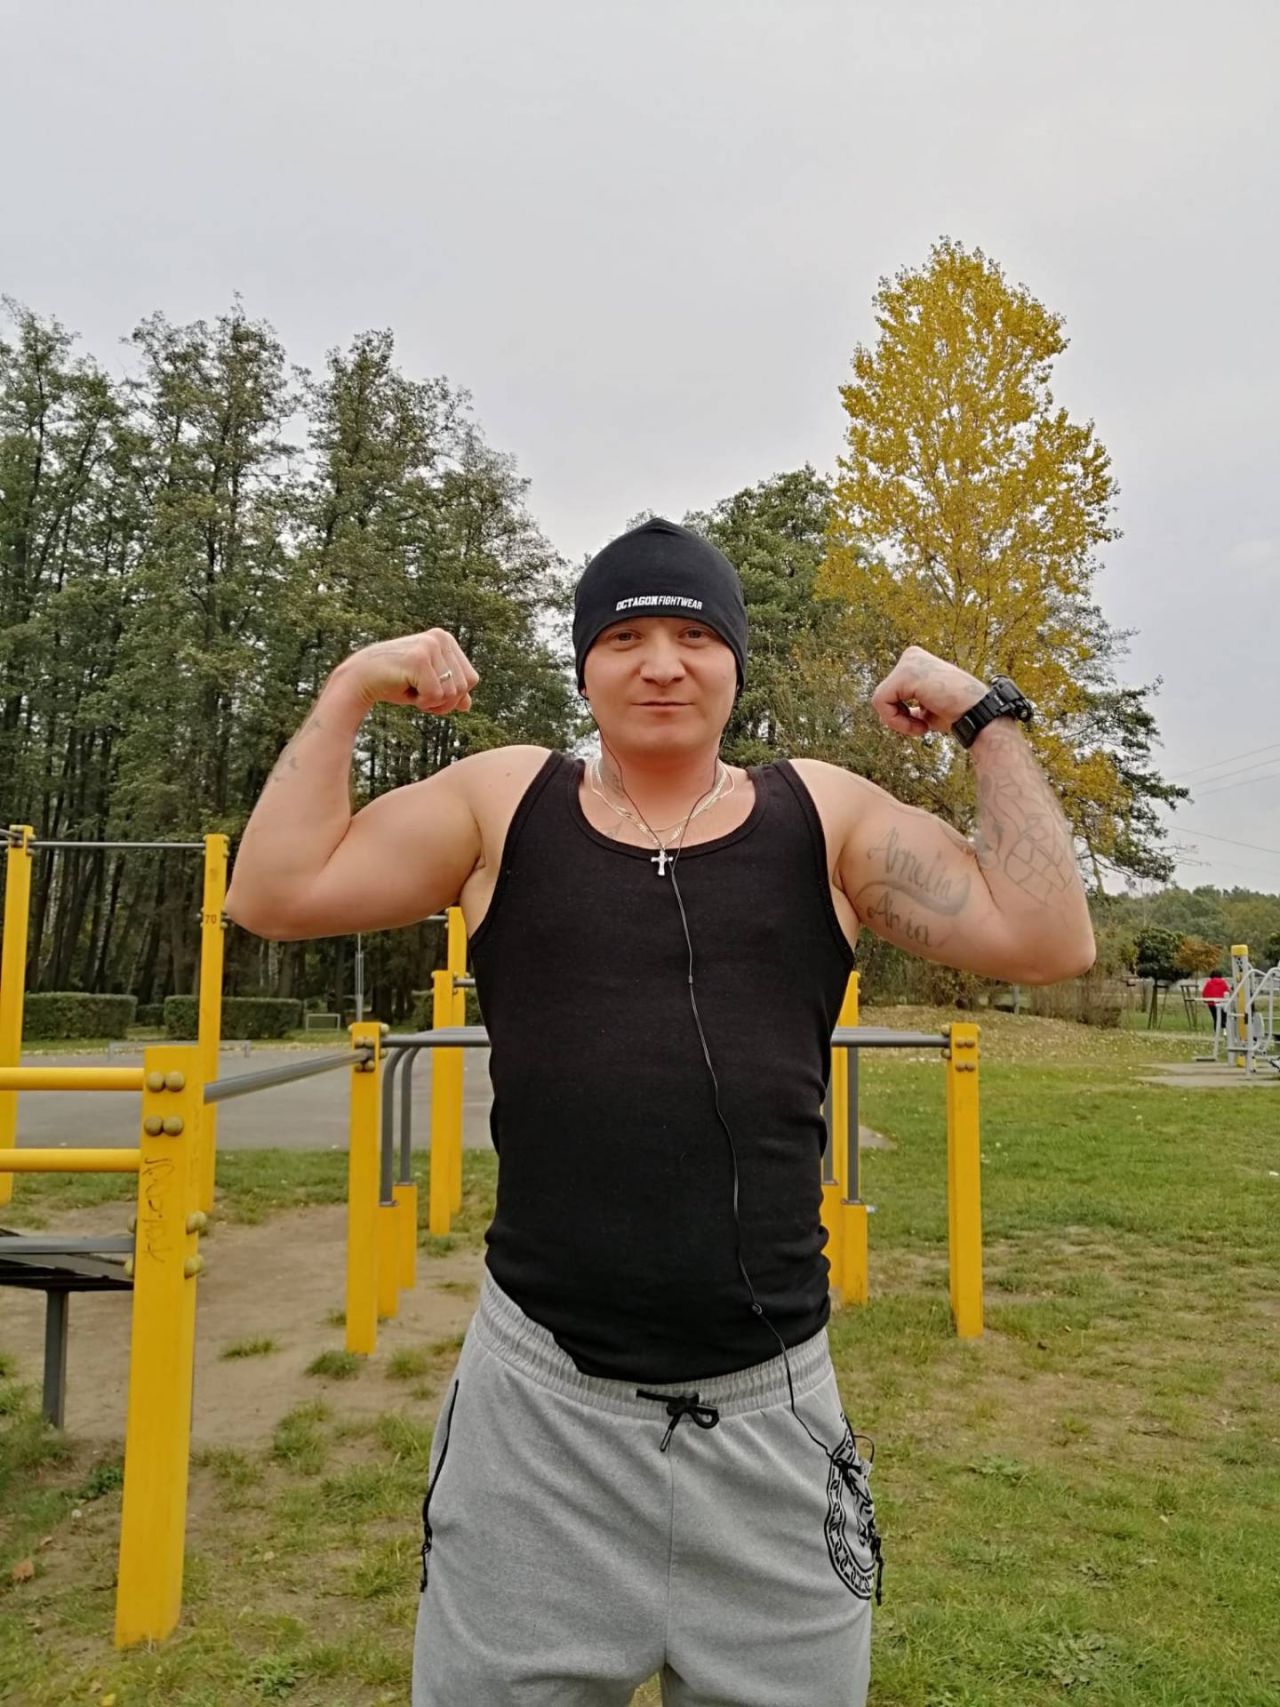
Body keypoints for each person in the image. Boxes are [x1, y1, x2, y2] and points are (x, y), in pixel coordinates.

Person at [225, 518, 1096, 1707]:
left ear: (734, 661)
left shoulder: (824, 819)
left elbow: (1047, 940)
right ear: (585, 667)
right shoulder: (502, 804)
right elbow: (273, 893)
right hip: (538, 1420)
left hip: (769, 1420)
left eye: (693, 636)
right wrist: (348, 691)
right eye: (625, 638)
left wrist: (983, 719)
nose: (661, 664)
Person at [1201, 970, 1231, 1035]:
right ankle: (1225, 1031)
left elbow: (1204, 992)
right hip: (1222, 1003)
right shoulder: (1223, 982)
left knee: (1215, 1018)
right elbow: (1228, 991)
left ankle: (1216, 1032)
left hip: (1212, 1004)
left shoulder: (1209, 983)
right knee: (1223, 1017)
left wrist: (1206, 1000)